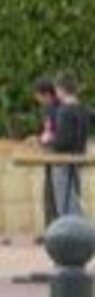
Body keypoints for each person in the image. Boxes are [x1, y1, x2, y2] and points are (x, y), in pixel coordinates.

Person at [44, 70, 90, 217]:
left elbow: (63, 142)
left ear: (61, 89)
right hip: (77, 161)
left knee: (66, 206)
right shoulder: (83, 109)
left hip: (62, 163)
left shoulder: (64, 111)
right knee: (74, 200)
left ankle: (76, 231)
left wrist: (48, 140)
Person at [32, 76, 60, 227]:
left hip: (58, 155)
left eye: (39, 96)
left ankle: (55, 228)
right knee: (49, 192)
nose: (38, 100)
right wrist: (38, 139)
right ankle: (50, 227)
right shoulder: (48, 109)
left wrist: (41, 141)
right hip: (50, 154)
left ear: (47, 94)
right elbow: (47, 131)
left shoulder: (58, 109)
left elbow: (56, 133)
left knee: (54, 193)